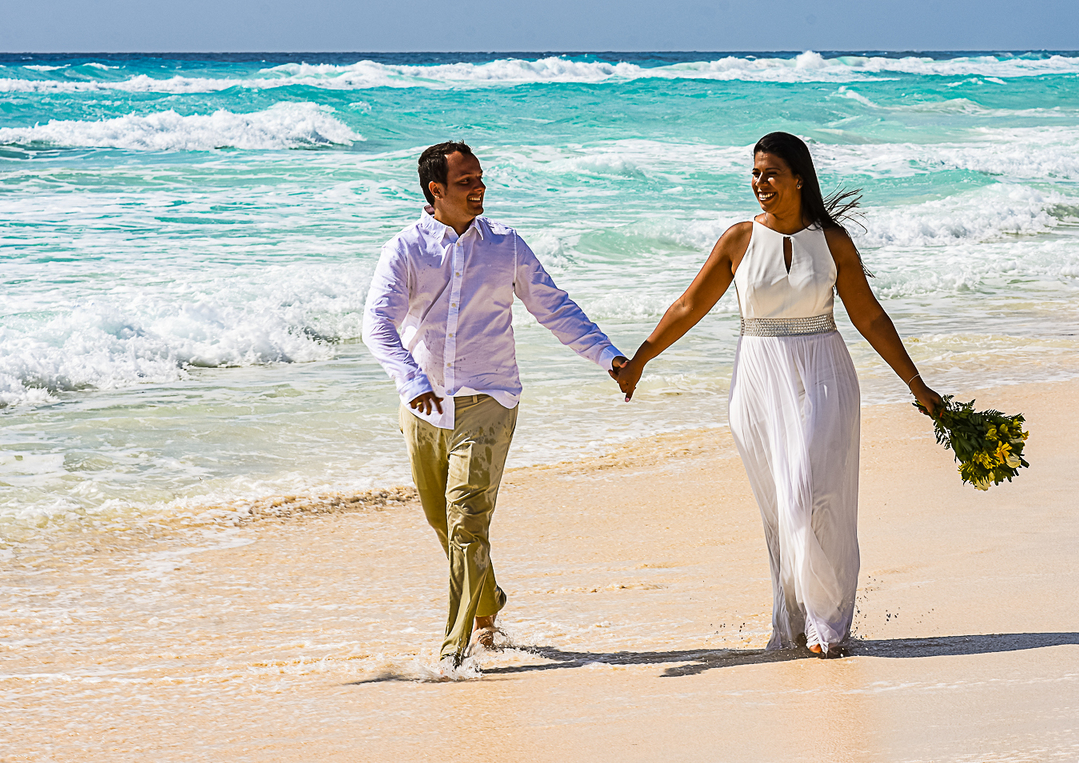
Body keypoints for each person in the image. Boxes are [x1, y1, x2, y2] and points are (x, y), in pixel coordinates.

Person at [615, 132, 942, 659]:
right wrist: (640, 360)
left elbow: (869, 315)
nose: (759, 183)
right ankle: (792, 620)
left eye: (769, 173)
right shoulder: (739, 240)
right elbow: (687, 306)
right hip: (759, 381)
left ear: (798, 178)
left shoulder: (832, 242)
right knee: (782, 507)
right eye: (754, 173)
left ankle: (827, 623)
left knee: (815, 496)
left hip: (824, 374)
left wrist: (916, 383)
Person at [363, 141, 627, 668]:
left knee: (467, 520)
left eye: (481, 177)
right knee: (443, 521)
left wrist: (609, 357)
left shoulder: (506, 245)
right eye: (466, 182)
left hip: (490, 399)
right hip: (423, 406)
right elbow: (377, 325)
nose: (479, 187)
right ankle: (487, 603)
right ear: (435, 190)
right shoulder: (406, 248)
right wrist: (412, 382)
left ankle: (454, 650)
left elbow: (554, 308)